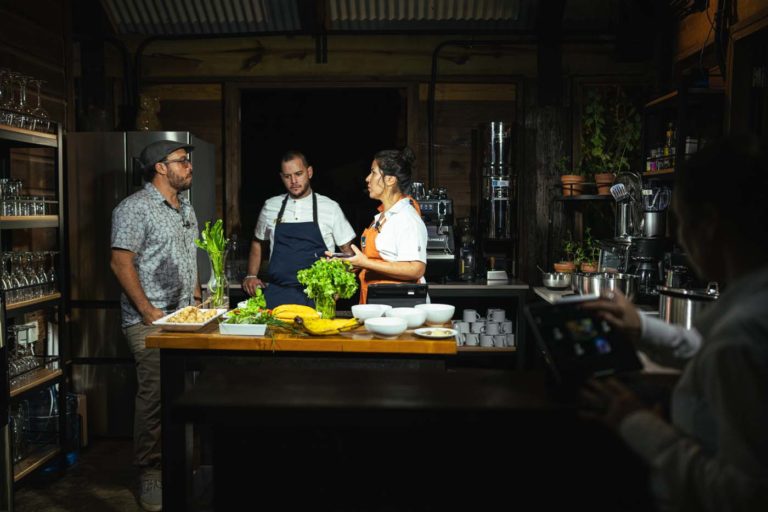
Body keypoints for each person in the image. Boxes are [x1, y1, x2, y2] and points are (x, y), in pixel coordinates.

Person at [580, 134, 768, 511]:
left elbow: (746, 496)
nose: (679, 237)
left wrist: (638, 424)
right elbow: (705, 354)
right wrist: (643, 329)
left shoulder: (739, 336)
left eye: (681, 222)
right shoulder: (751, 307)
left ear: (710, 225)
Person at [110, 140, 201, 511]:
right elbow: (120, 263)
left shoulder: (185, 207)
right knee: (154, 396)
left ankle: (180, 466)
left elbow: (188, 253)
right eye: (182, 161)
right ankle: (150, 471)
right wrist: (147, 310)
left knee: (185, 393)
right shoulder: (133, 209)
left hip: (184, 317)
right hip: (150, 319)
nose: (189, 165)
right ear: (161, 168)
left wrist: (196, 294)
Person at [244, 150, 356, 307]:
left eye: (298, 174)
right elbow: (258, 241)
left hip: (318, 296)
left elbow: (349, 252)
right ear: (282, 177)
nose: (293, 181)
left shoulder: (330, 208)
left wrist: (339, 287)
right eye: (287, 176)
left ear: (309, 172)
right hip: (277, 295)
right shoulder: (271, 206)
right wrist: (251, 275)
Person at [342, 147, 428, 304]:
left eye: (373, 173)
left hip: (399, 310)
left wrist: (364, 263)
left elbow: (416, 269)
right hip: (376, 304)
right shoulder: (381, 217)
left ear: (390, 179)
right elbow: (377, 260)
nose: (368, 178)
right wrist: (349, 262)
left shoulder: (406, 218)